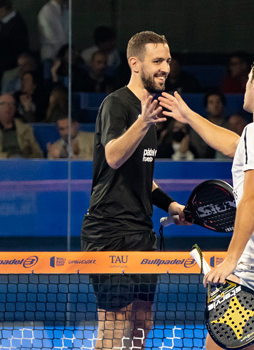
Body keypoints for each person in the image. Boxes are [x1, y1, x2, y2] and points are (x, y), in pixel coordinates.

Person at [159, 49, 254, 350]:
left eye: (249, 75)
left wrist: (230, 260)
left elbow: (252, 198)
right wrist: (189, 116)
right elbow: (235, 146)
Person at [79, 31, 187, 350]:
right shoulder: (117, 104)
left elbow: (143, 177)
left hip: (141, 234)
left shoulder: (149, 112)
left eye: (167, 61)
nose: (165, 67)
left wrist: (170, 206)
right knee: (115, 326)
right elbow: (113, 156)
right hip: (109, 233)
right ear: (135, 63)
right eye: (157, 61)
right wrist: (142, 121)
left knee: (142, 322)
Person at [0, 92, 43, 158]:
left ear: (15, 108)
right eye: (3, 104)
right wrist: (7, 157)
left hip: (22, 164)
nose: (8, 107)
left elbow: (39, 154)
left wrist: (23, 159)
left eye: (11, 104)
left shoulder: (26, 129)